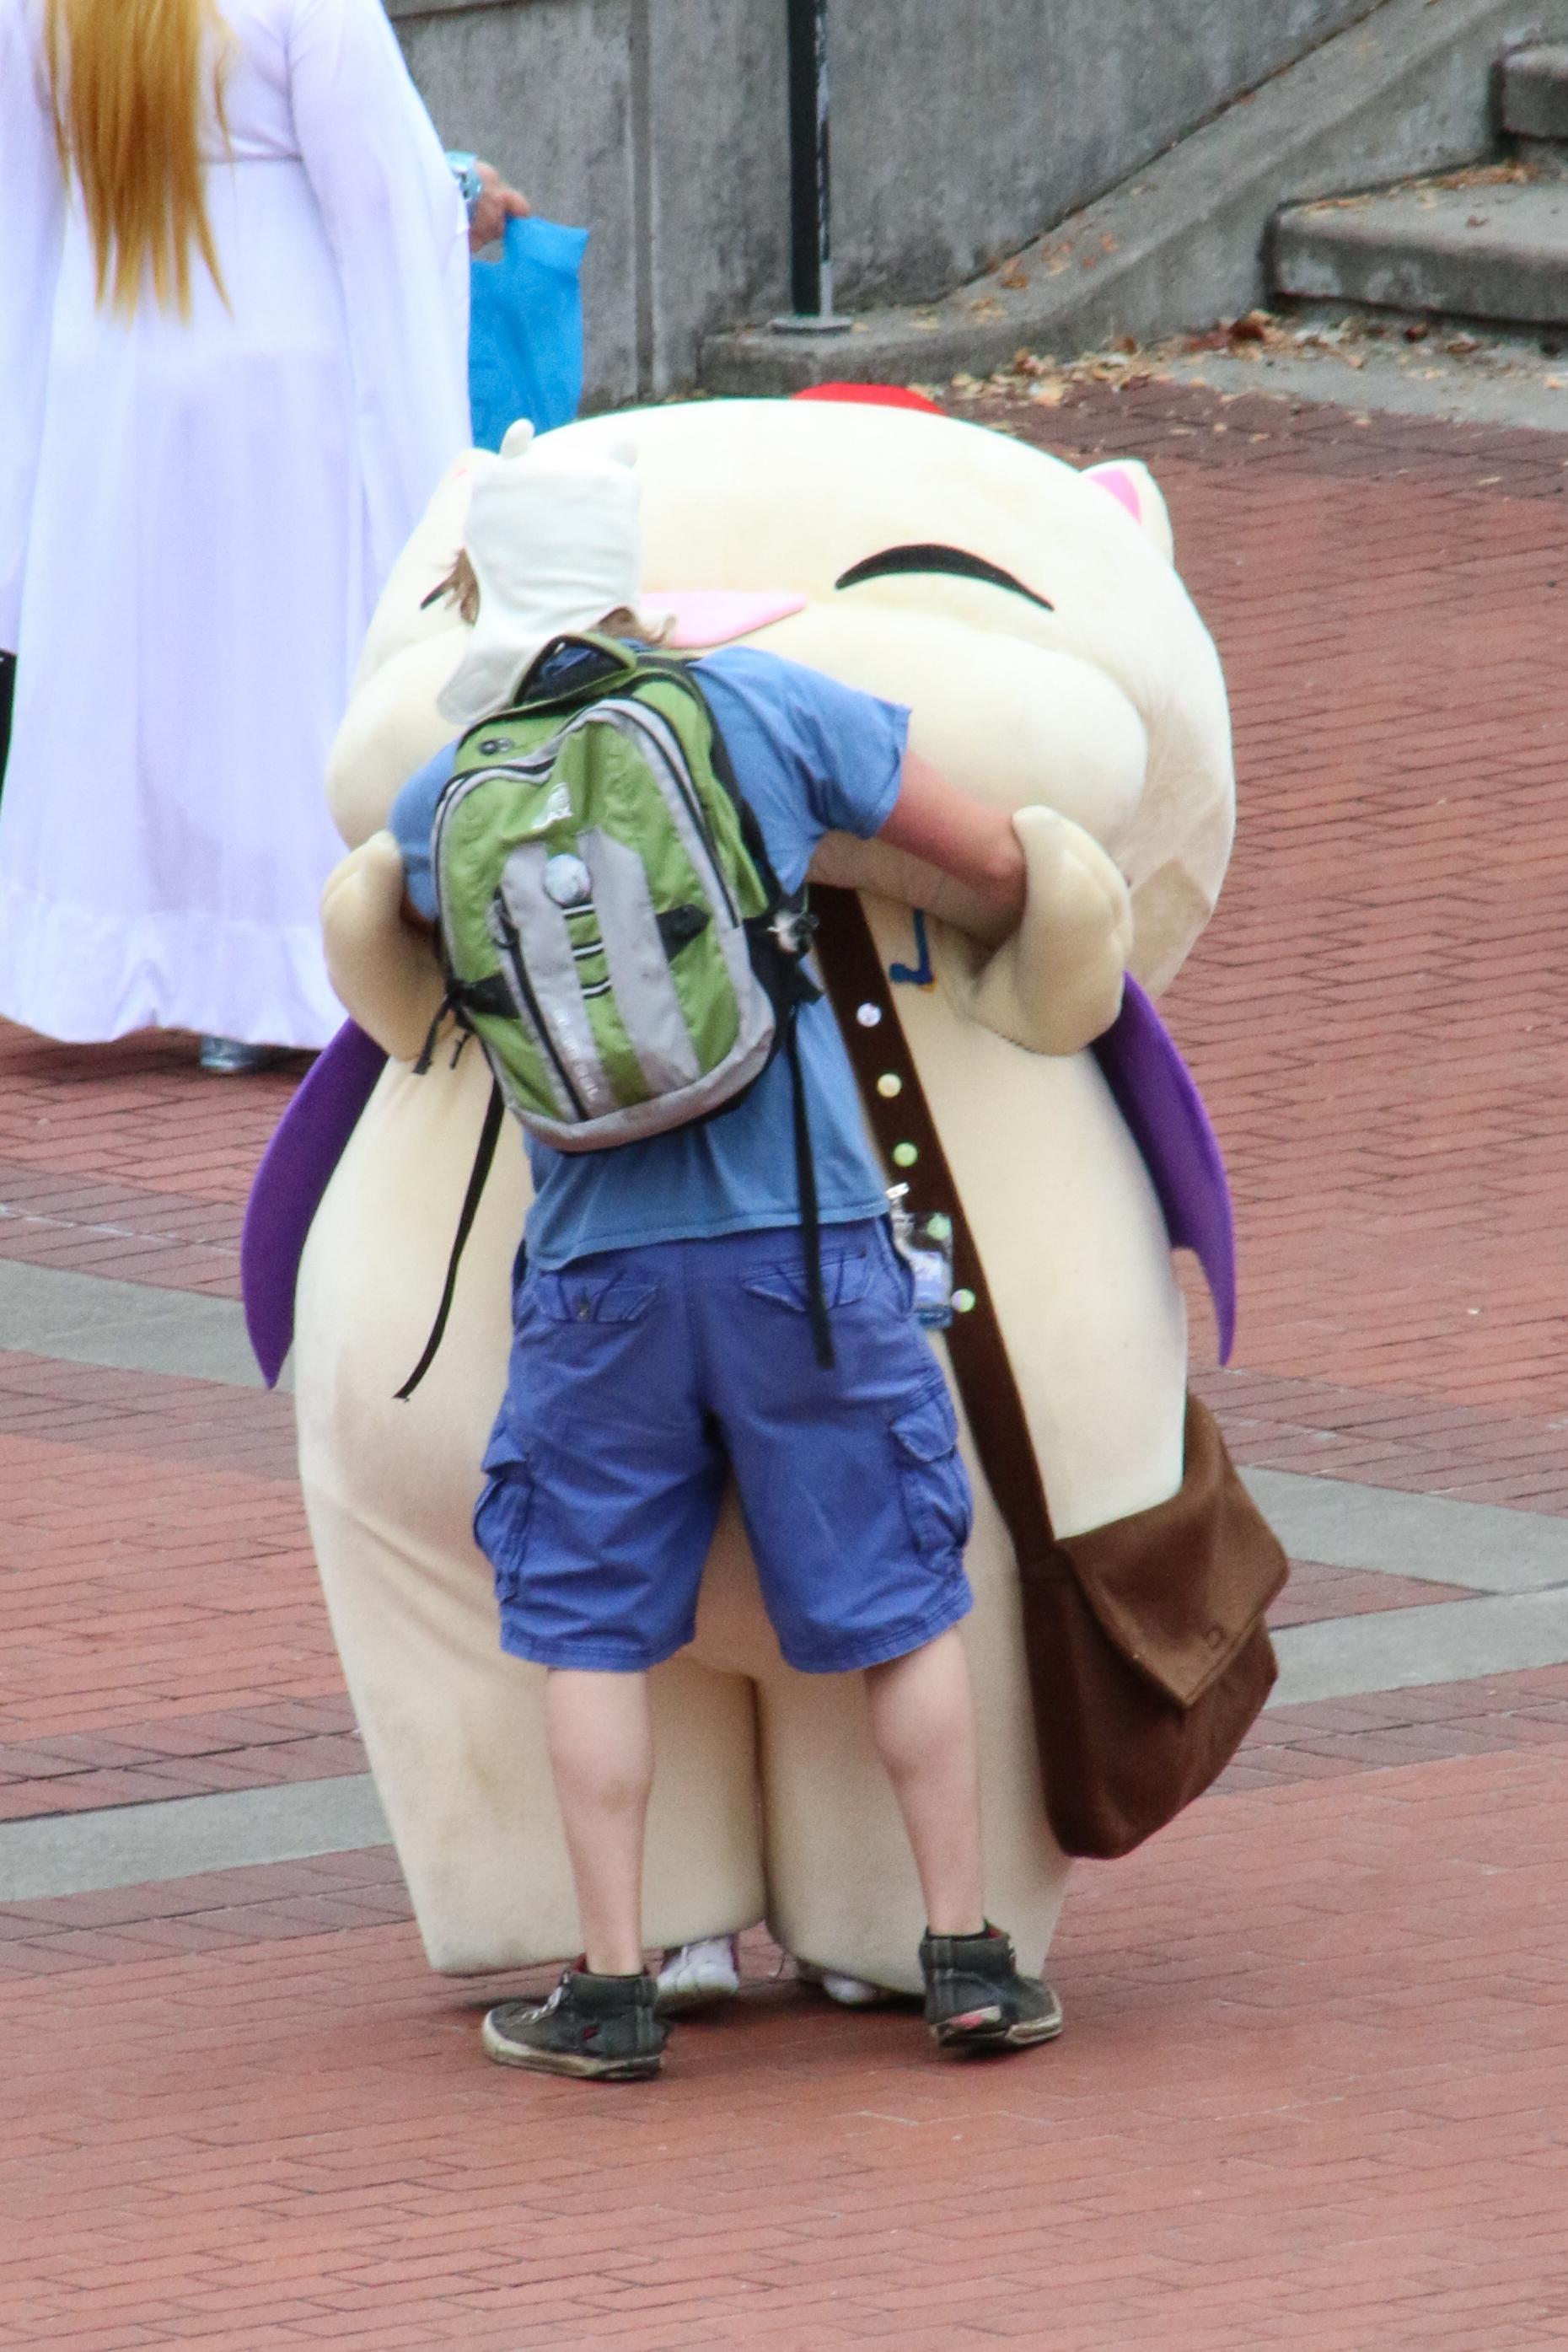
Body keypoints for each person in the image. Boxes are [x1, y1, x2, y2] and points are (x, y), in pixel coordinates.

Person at [381, 441, 1066, 2081]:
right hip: (802, 1245)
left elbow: (415, 965)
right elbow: (993, 857)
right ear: (623, 580)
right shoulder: (757, 710)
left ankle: (617, 1988)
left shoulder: (446, 790)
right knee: (903, 1599)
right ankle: (964, 1958)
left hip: (596, 1275)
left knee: (591, 1626)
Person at [0, 0, 518, 1071]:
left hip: (108, 365)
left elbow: (18, 216)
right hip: (274, 370)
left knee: (139, 674)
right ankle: (277, 971)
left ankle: (115, 952)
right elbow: (381, 195)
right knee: (272, 672)